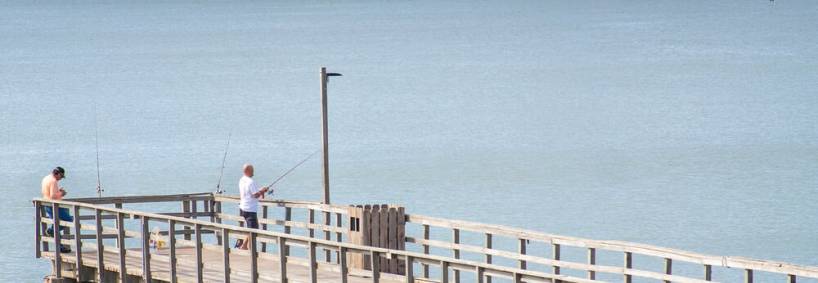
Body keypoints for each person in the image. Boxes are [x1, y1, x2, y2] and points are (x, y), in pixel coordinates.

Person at [237, 164, 270, 250]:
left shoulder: (242, 180)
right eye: (252, 170)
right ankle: (249, 249)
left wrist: (260, 191)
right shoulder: (251, 181)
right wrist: (263, 190)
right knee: (253, 230)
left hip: (243, 207)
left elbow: (250, 192)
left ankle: (245, 246)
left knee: (252, 228)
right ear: (247, 171)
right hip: (250, 209)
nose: (253, 172)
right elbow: (255, 195)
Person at [41, 166, 72, 253]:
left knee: (57, 223)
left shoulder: (46, 178)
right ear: (57, 174)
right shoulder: (53, 181)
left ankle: (61, 247)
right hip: (53, 205)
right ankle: (51, 230)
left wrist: (58, 191)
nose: (61, 179)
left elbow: (48, 193)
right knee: (69, 220)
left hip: (47, 204)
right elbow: (53, 196)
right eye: (61, 176)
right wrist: (62, 193)